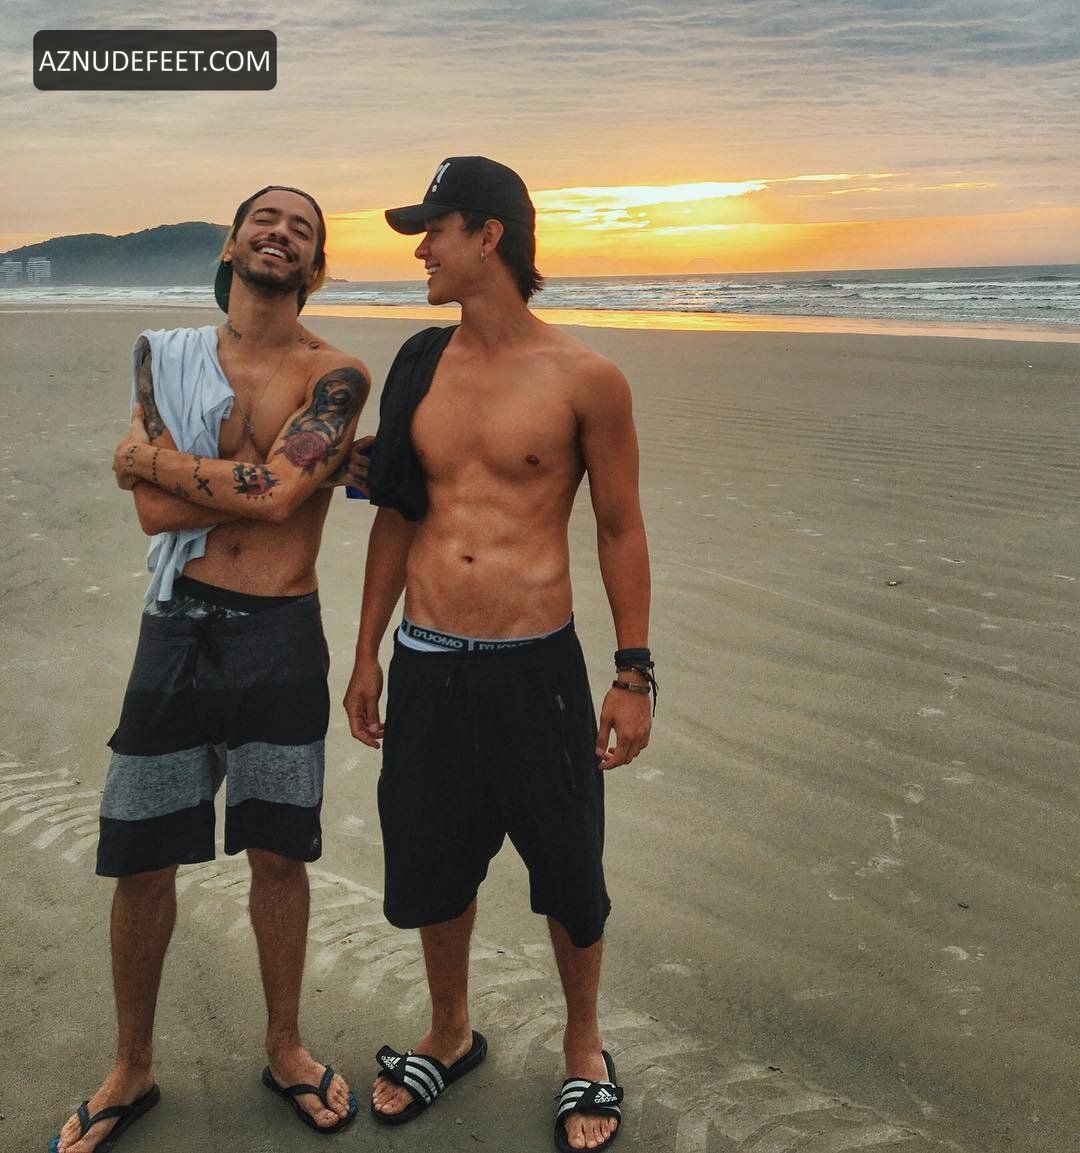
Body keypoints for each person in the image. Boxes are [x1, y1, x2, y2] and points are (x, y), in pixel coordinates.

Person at [342, 156, 654, 1153]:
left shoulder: (586, 379)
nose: (421, 252)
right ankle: (449, 1030)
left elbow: (619, 527)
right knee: (434, 859)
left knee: (568, 865)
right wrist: (366, 651)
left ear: (489, 236)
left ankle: (583, 1043)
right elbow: (396, 512)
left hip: (535, 668)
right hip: (429, 660)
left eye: (434, 231)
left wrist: (634, 671)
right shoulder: (419, 362)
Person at [50, 186, 370, 1153]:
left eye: (302, 229)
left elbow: (272, 498)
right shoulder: (166, 355)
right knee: (142, 854)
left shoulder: (337, 375)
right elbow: (163, 517)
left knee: (280, 852)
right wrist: (273, 482)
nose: (281, 233)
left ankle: (286, 1046)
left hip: (281, 634)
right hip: (176, 630)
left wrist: (152, 461)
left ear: (316, 266)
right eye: (265, 220)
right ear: (231, 243)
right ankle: (131, 1066)